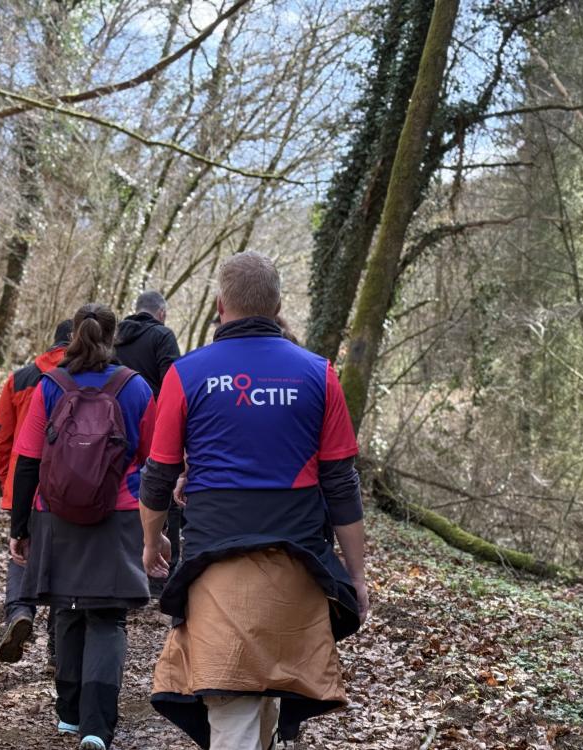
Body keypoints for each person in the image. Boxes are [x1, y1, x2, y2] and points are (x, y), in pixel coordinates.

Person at [138, 251, 369, 750]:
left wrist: (151, 540)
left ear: (220, 305)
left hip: (214, 562)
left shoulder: (186, 374)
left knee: (233, 702)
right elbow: (341, 484)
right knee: (271, 691)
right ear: (277, 306)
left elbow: (158, 476)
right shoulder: (319, 374)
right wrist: (356, 574)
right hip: (299, 565)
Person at [10, 303, 155, 750]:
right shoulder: (135, 387)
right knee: (108, 618)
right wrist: (158, 526)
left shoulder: (50, 385)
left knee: (66, 609)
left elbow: (28, 460)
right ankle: (96, 725)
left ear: (74, 335)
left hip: (55, 515)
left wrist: (20, 527)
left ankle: (69, 715)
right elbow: (153, 460)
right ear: (114, 338)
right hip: (119, 514)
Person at [0, 319, 72, 666]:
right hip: (70, 488)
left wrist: (6, 481)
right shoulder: (91, 378)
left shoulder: (21, 378)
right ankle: (57, 646)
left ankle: (20, 612)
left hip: (23, 484)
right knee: (65, 561)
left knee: (21, 552)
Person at [115, 290, 183, 582]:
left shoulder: (114, 336)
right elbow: (174, 383)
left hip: (112, 427)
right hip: (153, 426)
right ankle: (162, 574)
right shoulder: (162, 336)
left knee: (120, 493)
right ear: (161, 313)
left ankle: (122, 568)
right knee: (163, 490)